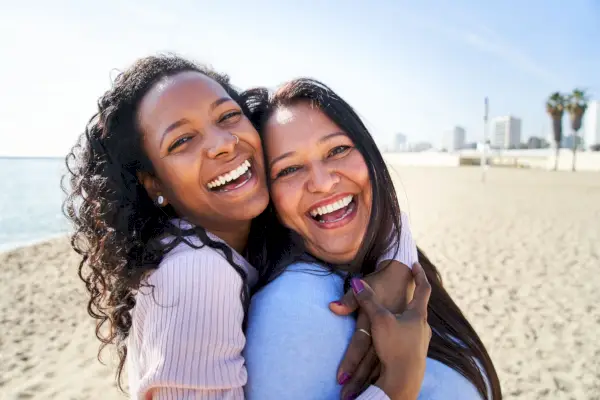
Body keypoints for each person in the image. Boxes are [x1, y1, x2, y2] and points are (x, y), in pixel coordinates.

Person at [63, 55, 432, 400]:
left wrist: (396, 269)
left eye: (227, 117)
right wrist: (398, 380)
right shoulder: (196, 272)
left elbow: (370, 207)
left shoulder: (241, 234)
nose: (223, 144)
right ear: (154, 184)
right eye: (182, 141)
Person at [241, 78, 503, 400]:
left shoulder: (399, 263)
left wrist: (398, 260)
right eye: (289, 170)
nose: (322, 183)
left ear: (370, 155)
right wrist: (397, 385)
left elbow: (391, 218)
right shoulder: (291, 308)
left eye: (338, 150)